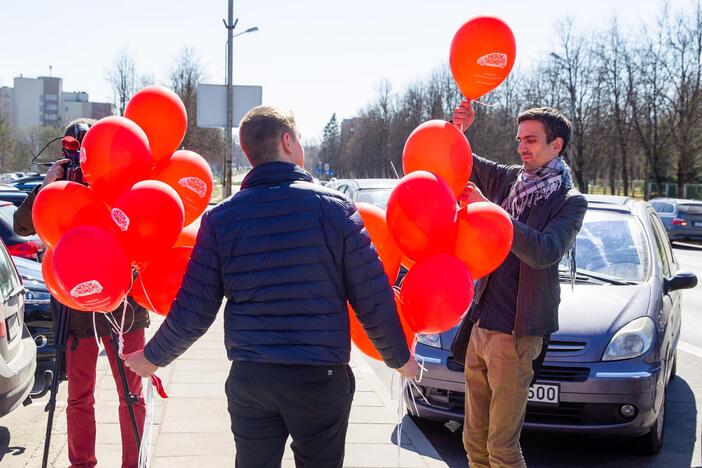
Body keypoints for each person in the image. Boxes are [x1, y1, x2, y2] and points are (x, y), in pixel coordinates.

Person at [125, 105, 419, 467]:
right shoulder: (336, 209)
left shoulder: (220, 219)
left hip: (252, 378)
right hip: (319, 377)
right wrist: (400, 358)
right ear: (286, 141)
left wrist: (153, 357)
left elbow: (194, 309)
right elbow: (371, 296)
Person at [451, 101, 587, 468]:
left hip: (516, 334)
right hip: (481, 325)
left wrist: (493, 213)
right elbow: (469, 162)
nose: (521, 147)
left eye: (531, 140)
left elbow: (545, 251)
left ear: (555, 145)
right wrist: (459, 128)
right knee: (472, 442)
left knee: (502, 448)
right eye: (519, 139)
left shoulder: (570, 201)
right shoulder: (513, 179)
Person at [14, 118, 149, 468]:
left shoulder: (121, 180)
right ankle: (81, 463)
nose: (77, 160)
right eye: (70, 151)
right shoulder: (59, 184)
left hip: (123, 303)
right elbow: (22, 224)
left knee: (131, 395)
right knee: (78, 397)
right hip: (75, 306)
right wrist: (48, 187)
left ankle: (133, 463)